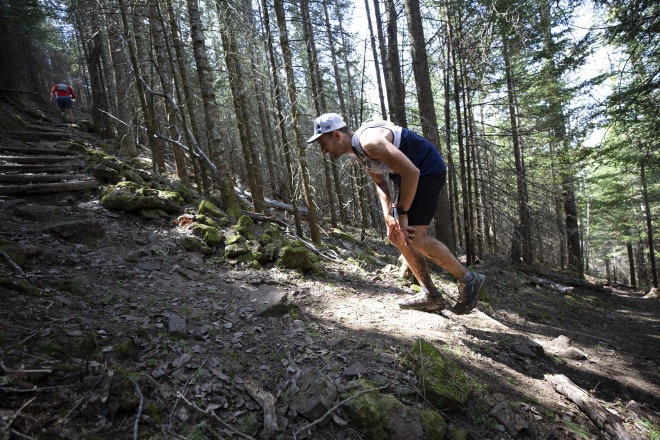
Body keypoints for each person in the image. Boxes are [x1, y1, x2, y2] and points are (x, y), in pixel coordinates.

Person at [307, 113, 485, 314]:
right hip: (409, 176)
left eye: (323, 143)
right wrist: (387, 215)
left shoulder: (369, 142)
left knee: (415, 238)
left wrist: (402, 214)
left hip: (427, 171)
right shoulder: (356, 152)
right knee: (396, 236)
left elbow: (412, 173)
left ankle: (469, 280)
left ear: (337, 135)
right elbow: (381, 183)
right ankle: (430, 294)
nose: (323, 150)